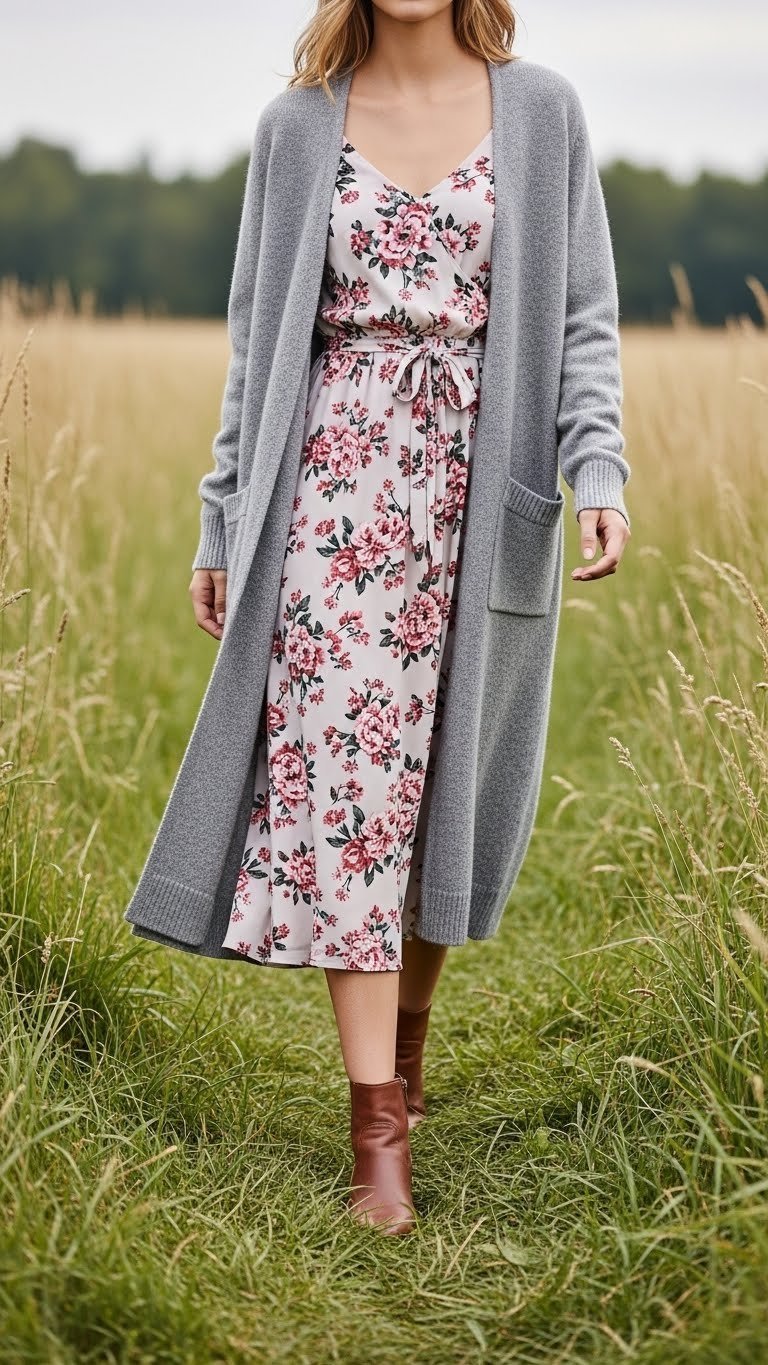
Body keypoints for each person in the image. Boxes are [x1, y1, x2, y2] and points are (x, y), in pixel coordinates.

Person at [124, 0, 631, 1236]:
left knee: (443, 803)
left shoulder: (545, 111)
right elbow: (257, 348)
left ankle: (406, 1043)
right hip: (331, 509)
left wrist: (599, 468)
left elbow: (581, 321)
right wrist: (219, 518)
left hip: (484, 499)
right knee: (353, 797)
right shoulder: (296, 130)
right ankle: (378, 1147)